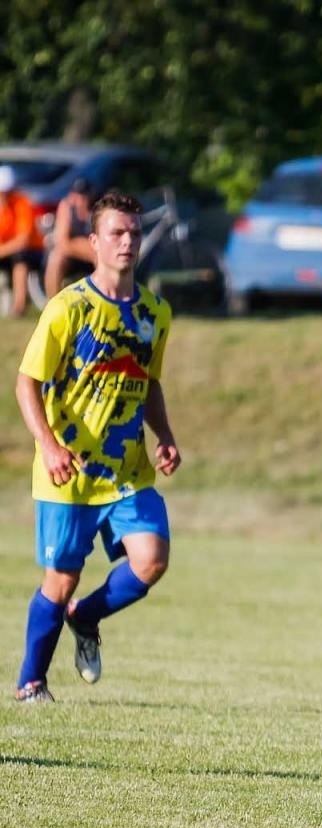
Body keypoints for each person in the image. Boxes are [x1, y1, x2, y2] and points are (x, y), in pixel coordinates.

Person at [13, 191, 180, 703]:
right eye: (116, 233)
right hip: (68, 475)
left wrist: (166, 436)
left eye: (133, 232)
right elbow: (26, 383)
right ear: (94, 242)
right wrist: (49, 445)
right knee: (60, 578)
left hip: (126, 472)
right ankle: (31, 683)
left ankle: (85, 617)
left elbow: (149, 382)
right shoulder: (69, 308)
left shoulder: (155, 312)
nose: (127, 241)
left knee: (151, 560)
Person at [0, 165, 46, 317]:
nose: (4, 195)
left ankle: (18, 308)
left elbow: (23, 241)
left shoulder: (22, 203)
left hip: (33, 251)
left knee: (20, 257)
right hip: (6, 252)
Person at [44, 178, 96, 298]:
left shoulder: (96, 210)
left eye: (84, 195)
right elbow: (62, 242)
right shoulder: (66, 207)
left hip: (94, 255)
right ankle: (52, 303)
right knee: (56, 258)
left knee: (103, 258)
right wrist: (83, 245)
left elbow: (101, 246)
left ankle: (108, 301)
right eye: (78, 195)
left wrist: (76, 244)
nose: (81, 199)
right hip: (73, 255)